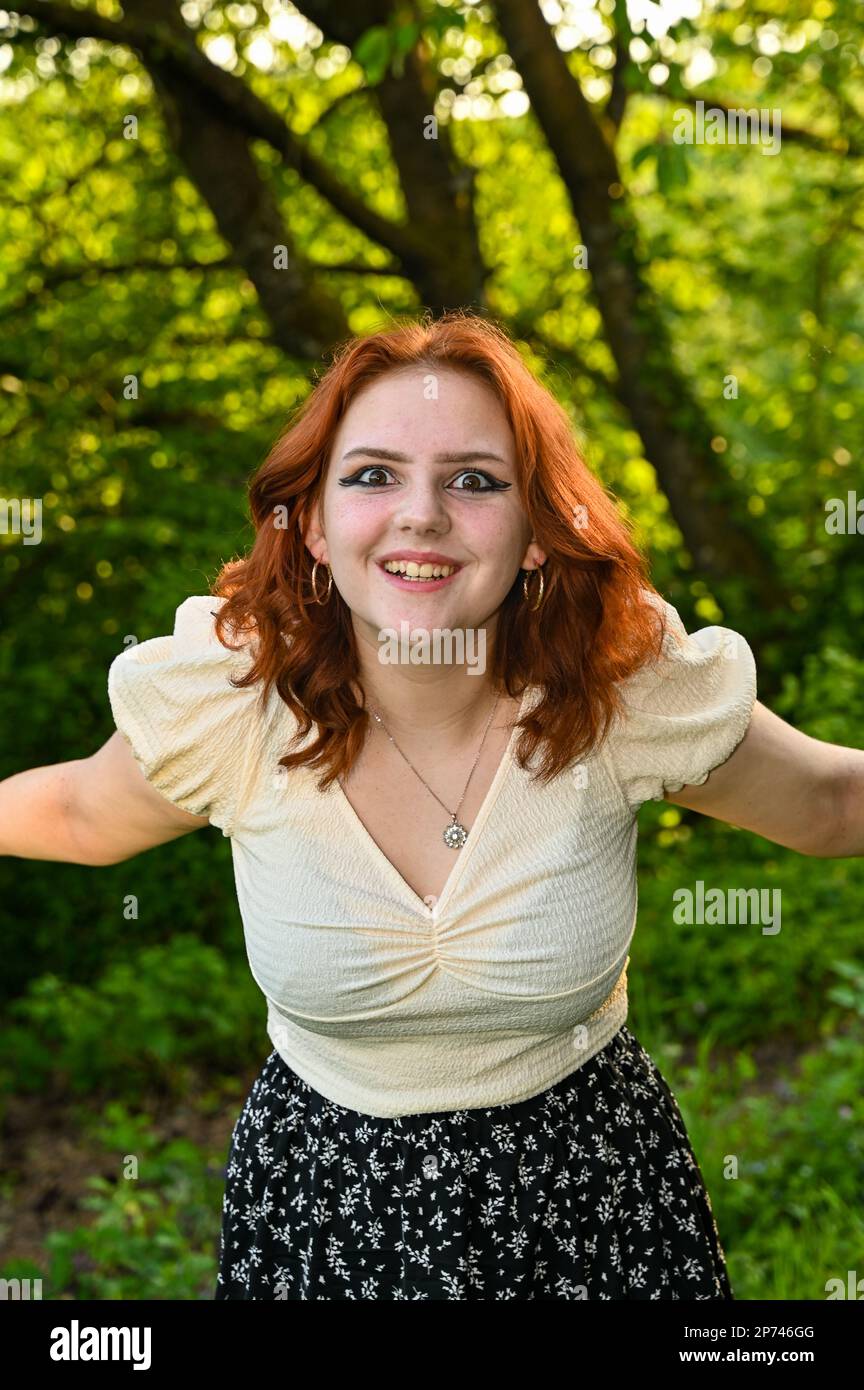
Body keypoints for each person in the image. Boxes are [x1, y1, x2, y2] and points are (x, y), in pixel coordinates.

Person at [4, 311, 861, 1301]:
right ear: (314, 524)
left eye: (475, 480)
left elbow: (835, 803)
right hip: (321, 1211)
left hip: (598, 1207)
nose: (421, 514)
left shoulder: (617, 690)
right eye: (373, 474)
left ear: (537, 531)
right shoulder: (238, 705)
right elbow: (76, 813)